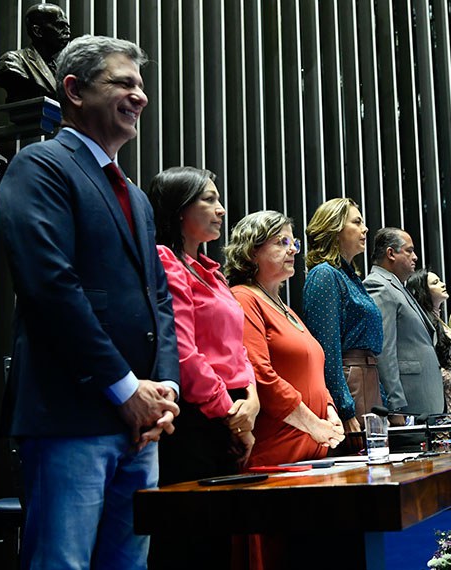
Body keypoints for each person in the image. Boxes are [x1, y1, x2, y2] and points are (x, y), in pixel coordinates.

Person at [0, 35, 180, 569]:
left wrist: (163, 387)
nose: (140, 95)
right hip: (71, 417)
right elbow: (50, 286)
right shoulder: (40, 166)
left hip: (143, 425)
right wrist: (124, 387)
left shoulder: (138, 197)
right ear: (73, 90)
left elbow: (158, 299)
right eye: (123, 82)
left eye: (141, 85)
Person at [147, 167, 259, 568]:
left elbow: (237, 348)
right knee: (191, 546)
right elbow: (182, 349)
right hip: (196, 418)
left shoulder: (211, 271)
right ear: (179, 210)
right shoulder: (165, 260)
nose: (221, 210)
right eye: (208, 200)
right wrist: (228, 412)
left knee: (221, 544)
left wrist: (250, 399)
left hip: (230, 413)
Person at [225, 211, 345, 570]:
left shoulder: (287, 308)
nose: (293, 249)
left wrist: (330, 413)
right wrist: (314, 424)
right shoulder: (244, 298)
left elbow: (312, 371)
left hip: (308, 455)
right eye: (281, 242)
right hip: (274, 455)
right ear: (251, 252)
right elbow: (260, 373)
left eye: (293, 241)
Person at [303, 198, 383, 437]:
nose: (365, 228)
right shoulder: (324, 275)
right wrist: (345, 408)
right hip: (350, 384)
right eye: (357, 222)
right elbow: (327, 350)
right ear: (334, 230)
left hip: (368, 378)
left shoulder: (352, 278)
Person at [364, 228, 445, 418]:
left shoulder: (398, 285)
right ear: (391, 253)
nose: (415, 257)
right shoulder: (378, 285)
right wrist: (395, 405)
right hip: (408, 405)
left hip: (422, 401)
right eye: (409, 250)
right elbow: (385, 350)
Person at [405, 268, 451, 414]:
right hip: (437, 399)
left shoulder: (439, 321)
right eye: (436, 283)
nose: (443, 284)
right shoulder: (422, 323)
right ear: (423, 291)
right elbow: (431, 368)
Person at [0, 3, 71, 103]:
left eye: (67, 27)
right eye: (60, 26)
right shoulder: (13, 62)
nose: (67, 31)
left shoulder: (61, 71)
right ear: (37, 31)